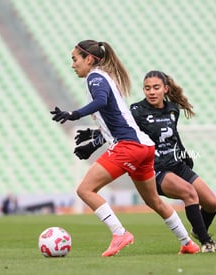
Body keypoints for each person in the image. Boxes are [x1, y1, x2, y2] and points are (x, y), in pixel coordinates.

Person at [50, 40, 199, 256]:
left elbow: (101, 101)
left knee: (85, 190)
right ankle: (188, 243)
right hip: (145, 147)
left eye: (75, 59)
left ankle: (120, 233)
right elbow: (114, 116)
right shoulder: (105, 77)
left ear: (89, 59)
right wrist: (95, 139)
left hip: (128, 146)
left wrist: (74, 114)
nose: (73, 65)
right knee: (154, 201)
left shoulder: (94, 77)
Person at [129, 70, 216, 252]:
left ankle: (198, 229)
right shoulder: (136, 111)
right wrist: (96, 137)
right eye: (147, 88)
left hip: (176, 164)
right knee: (189, 192)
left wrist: (184, 154)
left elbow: (173, 136)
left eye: (156, 87)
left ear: (165, 89)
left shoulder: (172, 109)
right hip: (155, 169)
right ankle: (206, 242)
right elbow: (120, 129)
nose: (151, 92)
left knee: (211, 203)